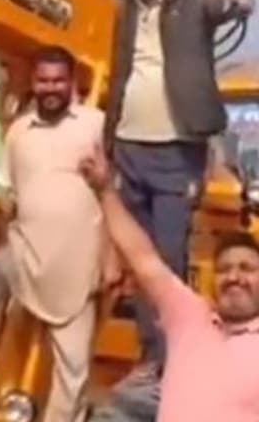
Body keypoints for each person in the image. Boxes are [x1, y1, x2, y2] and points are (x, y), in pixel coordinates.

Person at [104, 0, 254, 393]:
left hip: (176, 148)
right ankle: (151, 355)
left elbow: (242, 0)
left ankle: (169, 357)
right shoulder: (127, 0)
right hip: (127, 143)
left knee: (166, 259)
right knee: (137, 258)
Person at [0, 46, 111, 422]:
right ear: (34, 84)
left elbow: (117, 191)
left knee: (73, 369)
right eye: (43, 80)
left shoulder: (96, 124)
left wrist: (110, 256)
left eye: (58, 80)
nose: (50, 88)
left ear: (72, 83)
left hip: (76, 260)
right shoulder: (19, 131)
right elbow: (6, 188)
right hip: (21, 250)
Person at [83, 147, 259, 422]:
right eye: (224, 270)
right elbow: (143, 259)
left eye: (247, 269)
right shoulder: (190, 315)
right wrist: (105, 191)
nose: (234, 277)